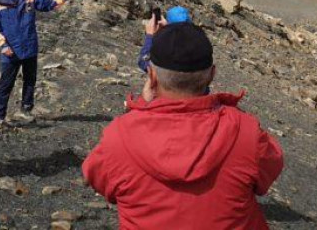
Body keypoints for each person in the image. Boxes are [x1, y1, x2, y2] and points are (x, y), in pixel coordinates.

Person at [82, 23, 284, 229]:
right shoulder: (246, 131)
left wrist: (141, 107)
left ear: (151, 76)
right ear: (212, 75)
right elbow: (271, 168)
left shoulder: (119, 136)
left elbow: (97, 178)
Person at [0, 0, 77, 126]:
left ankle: (26, 110)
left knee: (30, 81)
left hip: (29, 48)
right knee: (5, 85)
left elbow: (48, 3)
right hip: (10, 52)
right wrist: (3, 46)